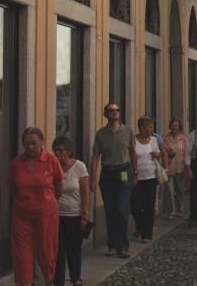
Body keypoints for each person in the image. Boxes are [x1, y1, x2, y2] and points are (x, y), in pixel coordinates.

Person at [9, 127, 63, 286]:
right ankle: (25, 282)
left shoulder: (51, 160)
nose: (30, 147)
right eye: (26, 144)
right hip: (22, 214)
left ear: (42, 143)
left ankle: (48, 280)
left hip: (46, 213)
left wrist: (50, 202)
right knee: (22, 255)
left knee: (46, 254)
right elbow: (13, 188)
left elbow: (59, 185)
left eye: (33, 143)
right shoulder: (16, 163)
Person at [90, 102, 137, 258]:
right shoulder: (101, 134)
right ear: (105, 114)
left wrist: (135, 173)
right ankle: (112, 244)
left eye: (117, 110)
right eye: (111, 110)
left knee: (122, 209)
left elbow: (133, 152)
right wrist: (93, 177)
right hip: (107, 174)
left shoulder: (128, 131)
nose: (114, 112)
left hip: (124, 171)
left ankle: (122, 246)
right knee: (110, 210)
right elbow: (96, 156)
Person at [52, 134, 89, 286]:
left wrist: (84, 214)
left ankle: (75, 278)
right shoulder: (53, 166)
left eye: (61, 150)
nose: (58, 154)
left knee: (73, 249)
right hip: (56, 215)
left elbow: (85, 193)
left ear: (69, 151)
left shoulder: (79, 167)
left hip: (74, 215)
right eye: (55, 150)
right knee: (57, 250)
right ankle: (58, 281)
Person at [130, 116, 166, 242]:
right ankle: (141, 227)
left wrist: (157, 155)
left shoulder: (154, 140)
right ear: (141, 127)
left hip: (151, 176)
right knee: (134, 205)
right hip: (136, 177)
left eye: (152, 126)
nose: (151, 129)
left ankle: (147, 234)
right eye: (149, 127)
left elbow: (160, 153)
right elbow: (130, 155)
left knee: (149, 206)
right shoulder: (133, 140)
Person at [164, 117, 188, 219]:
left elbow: (187, 152)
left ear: (179, 127)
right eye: (173, 125)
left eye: (176, 126)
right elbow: (163, 151)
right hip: (169, 167)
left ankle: (180, 210)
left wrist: (187, 165)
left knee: (179, 190)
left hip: (180, 166)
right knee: (169, 191)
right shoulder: (165, 138)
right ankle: (171, 211)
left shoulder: (183, 138)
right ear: (170, 126)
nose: (174, 127)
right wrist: (168, 152)